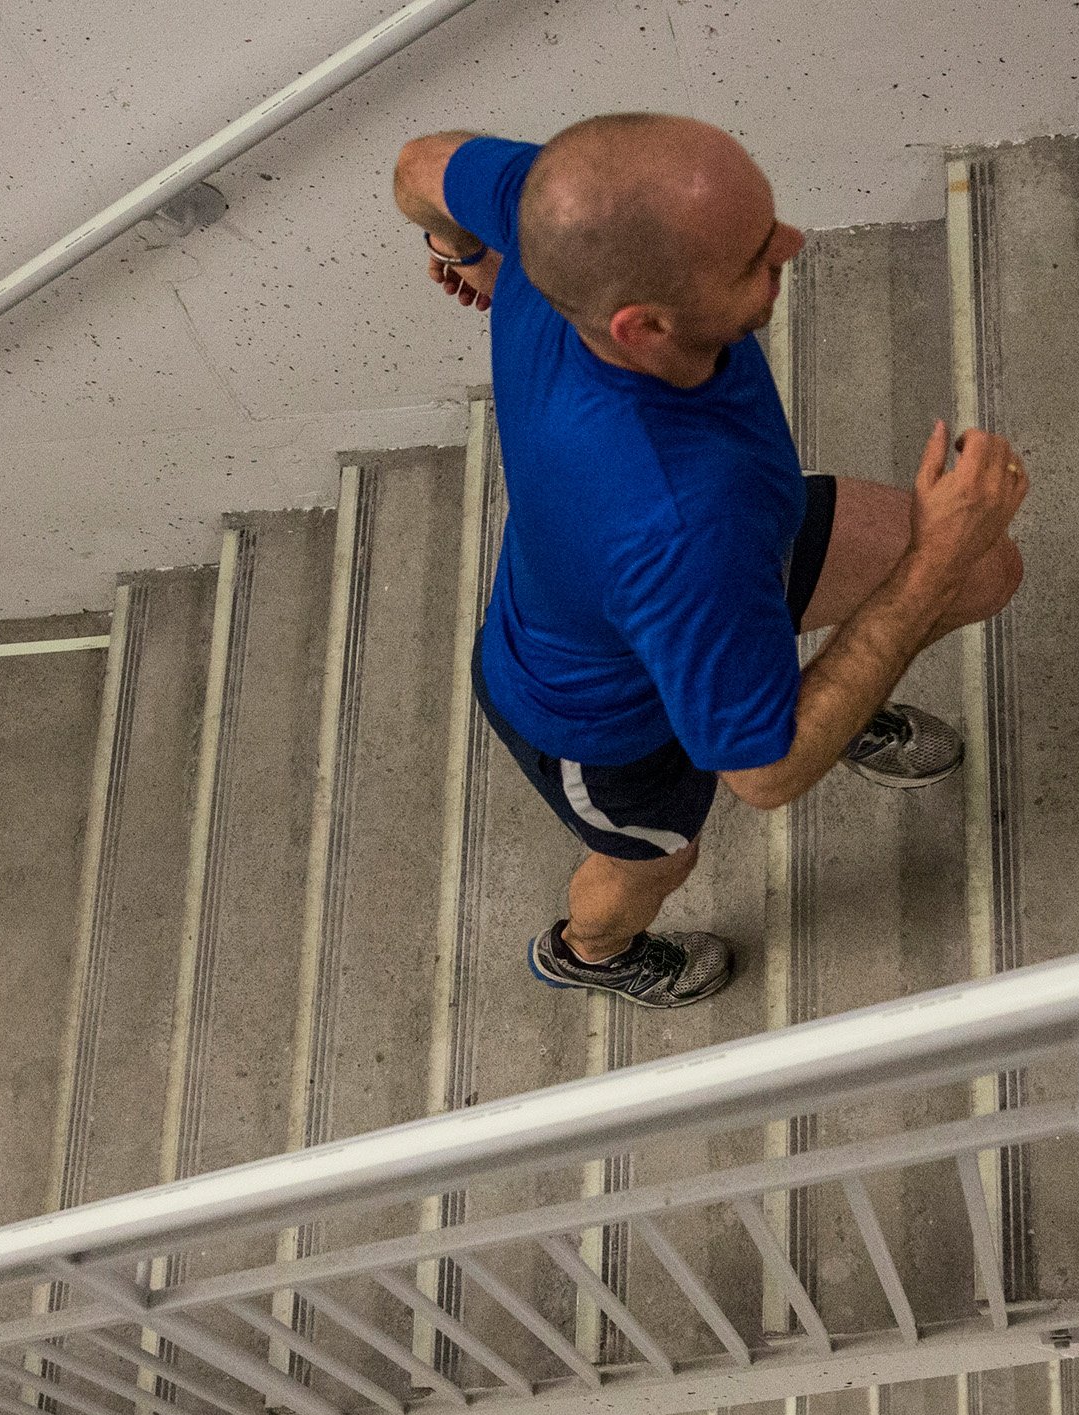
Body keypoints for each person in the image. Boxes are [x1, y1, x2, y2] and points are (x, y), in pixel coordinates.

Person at [391, 114, 1028, 1007]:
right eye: (755, 260)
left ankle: (807, 694)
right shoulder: (682, 525)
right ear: (644, 327)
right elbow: (764, 776)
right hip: (601, 718)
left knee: (986, 571)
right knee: (658, 860)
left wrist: (461, 251)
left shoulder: (558, 216)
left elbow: (419, 164)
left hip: (714, 564)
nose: (792, 245)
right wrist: (930, 557)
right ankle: (593, 953)